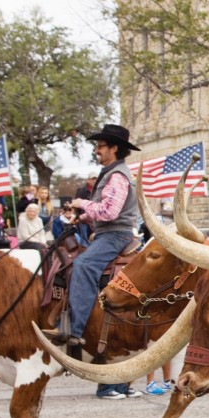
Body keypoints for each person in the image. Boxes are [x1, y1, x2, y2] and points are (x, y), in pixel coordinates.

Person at [46, 124, 141, 353]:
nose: (97, 150)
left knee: (83, 264)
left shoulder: (118, 176)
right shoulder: (111, 173)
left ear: (114, 148)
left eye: (101, 146)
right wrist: (84, 218)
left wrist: (82, 204)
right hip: (106, 233)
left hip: (115, 235)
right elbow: (102, 212)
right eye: (97, 146)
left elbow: (110, 212)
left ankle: (74, 330)